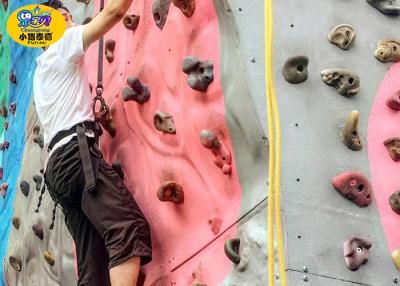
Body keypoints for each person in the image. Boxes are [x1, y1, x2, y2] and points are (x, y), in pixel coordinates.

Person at [32, 1, 152, 285]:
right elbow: (113, 13)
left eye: (70, 16)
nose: (71, 22)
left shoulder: (40, 72)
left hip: (57, 172)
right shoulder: (62, 45)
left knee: (93, 265)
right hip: (75, 156)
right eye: (63, 18)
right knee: (126, 228)